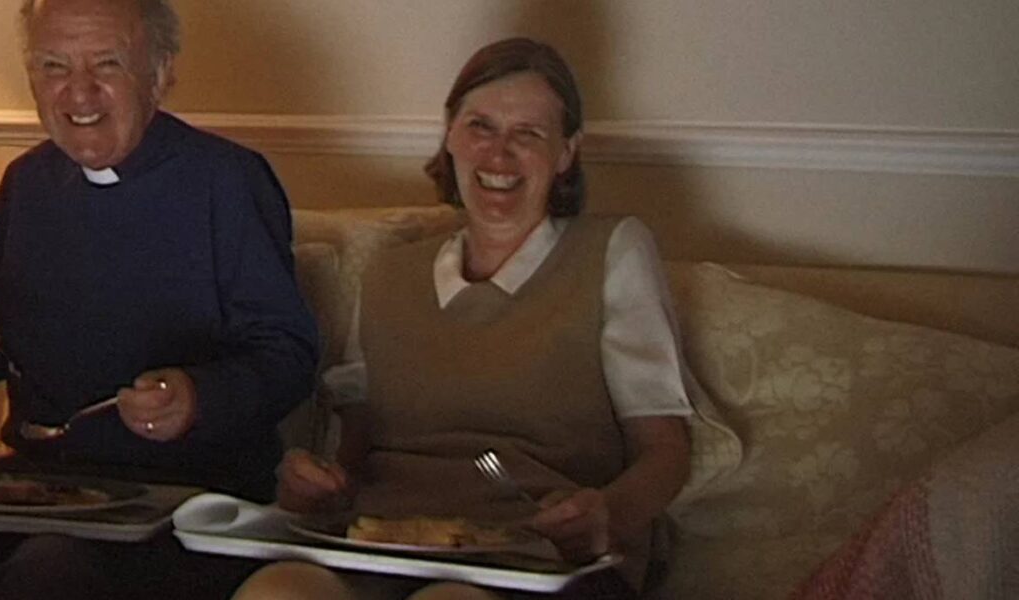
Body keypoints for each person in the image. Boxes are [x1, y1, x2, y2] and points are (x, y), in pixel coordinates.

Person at [0, 0, 318, 598]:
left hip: (189, 499)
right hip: (40, 487)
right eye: (54, 66)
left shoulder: (227, 181)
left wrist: (197, 397)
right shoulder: (27, 182)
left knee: (50, 575)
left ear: (160, 74)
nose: (79, 93)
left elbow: (289, 354)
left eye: (107, 64)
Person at [232, 38, 693, 600]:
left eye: (528, 134)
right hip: (387, 543)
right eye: (481, 127)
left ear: (567, 153)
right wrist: (320, 486)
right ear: (450, 134)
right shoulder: (389, 274)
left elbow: (666, 448)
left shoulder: (610, 252)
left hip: (540, 556)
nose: (499, 155)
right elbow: (355, 448)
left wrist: (610, 512)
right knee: (277, 591)